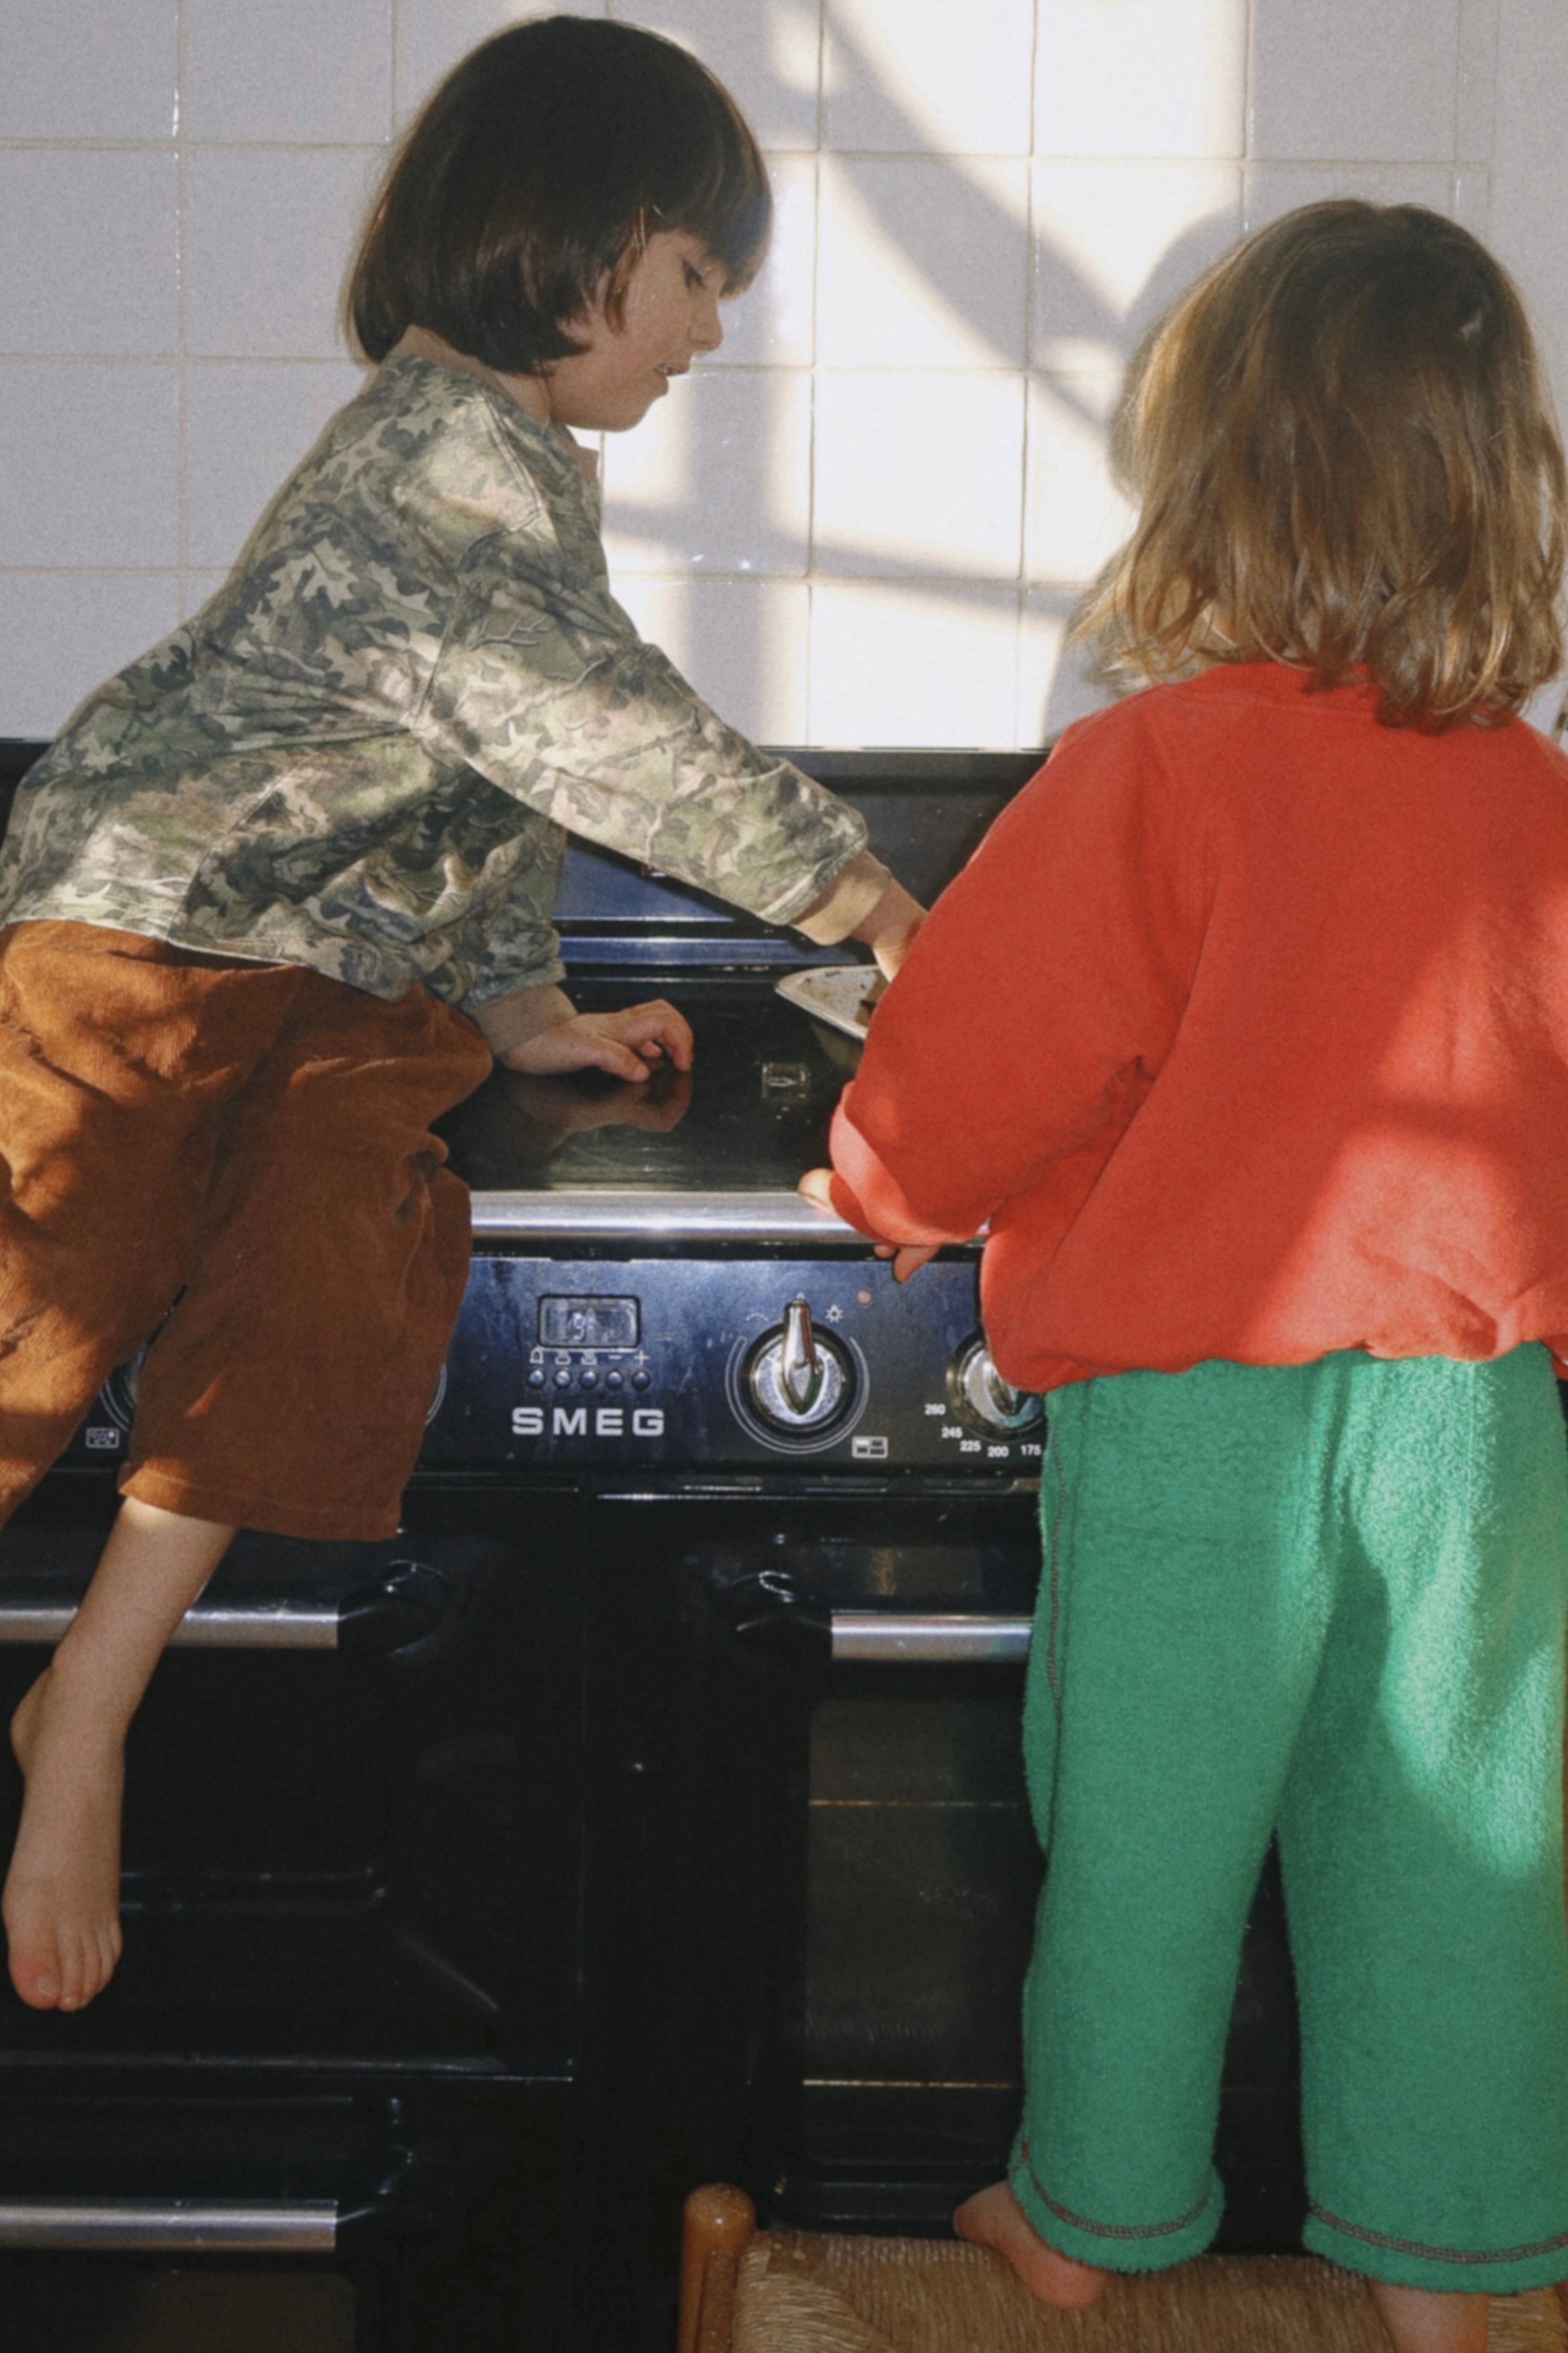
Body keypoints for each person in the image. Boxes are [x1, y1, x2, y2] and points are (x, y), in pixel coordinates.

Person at [0, 15, 922, 2020]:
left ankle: (88, 1695)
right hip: (142, 930)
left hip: (341, 983)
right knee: (43, 1294)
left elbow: (490, 778)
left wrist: (515, 1010)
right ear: (574, 241)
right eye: (693, 276)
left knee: (329, 1275)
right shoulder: (432, 460)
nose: (704, 333)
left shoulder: (526, 479)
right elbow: (599, 735)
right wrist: (870, 901)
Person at [801, 200, 1568, 2353]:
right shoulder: (1538, 799)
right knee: (1464, 1853)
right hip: (1473, 1422)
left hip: (1199, 1409)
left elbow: (977, 1057)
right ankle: (1459, 2264)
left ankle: (1100, 2215)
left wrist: (879, 1180)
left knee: (1145, 1820)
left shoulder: (1152, 769)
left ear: (1218, 477)